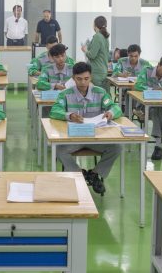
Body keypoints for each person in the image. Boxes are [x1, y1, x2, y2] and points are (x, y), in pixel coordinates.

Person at [49, 62, 123, 195]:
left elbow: (115, 107)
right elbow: (54, 111)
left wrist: (111, 113)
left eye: (86, 78)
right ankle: (80, 174)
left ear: (91, 77)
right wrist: (69, 115)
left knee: (116, 147)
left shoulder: (100, 92)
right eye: (79, 79)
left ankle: (95, 174)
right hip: (74, 138)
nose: (83, 82)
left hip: (96, 137)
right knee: (59, 150)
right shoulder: (65, 94)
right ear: (73, 78)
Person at [81, 15, 111, 89]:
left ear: (95, 25)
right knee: (102, 92)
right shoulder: (105, 37)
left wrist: (85, 50)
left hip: (96, 71)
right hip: (103, 70)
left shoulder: (97, 36)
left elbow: (92, 55)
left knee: (95, 93)